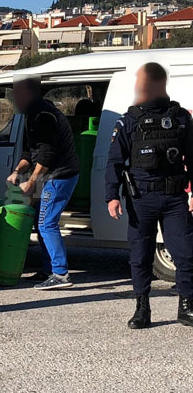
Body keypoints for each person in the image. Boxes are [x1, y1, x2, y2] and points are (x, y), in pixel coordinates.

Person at [105, 62, 193, 329]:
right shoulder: (129, 120)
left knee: (186, 254)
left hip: (174, 197)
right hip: (140, 197)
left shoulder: (180, 118)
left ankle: (187, 305)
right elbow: (115, 162)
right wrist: (112, 196)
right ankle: (142, 307)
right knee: (140, 254)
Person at [7, 76, 80, 291]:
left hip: (59, 175)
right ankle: (49, 269)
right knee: (41, 222)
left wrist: (31, 181)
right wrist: (17, 171)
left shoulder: (44, 116)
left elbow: (47, 154)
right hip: (52, 175)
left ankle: (60, 273)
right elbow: (31, 152)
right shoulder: (34, 114)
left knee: (47, 223)